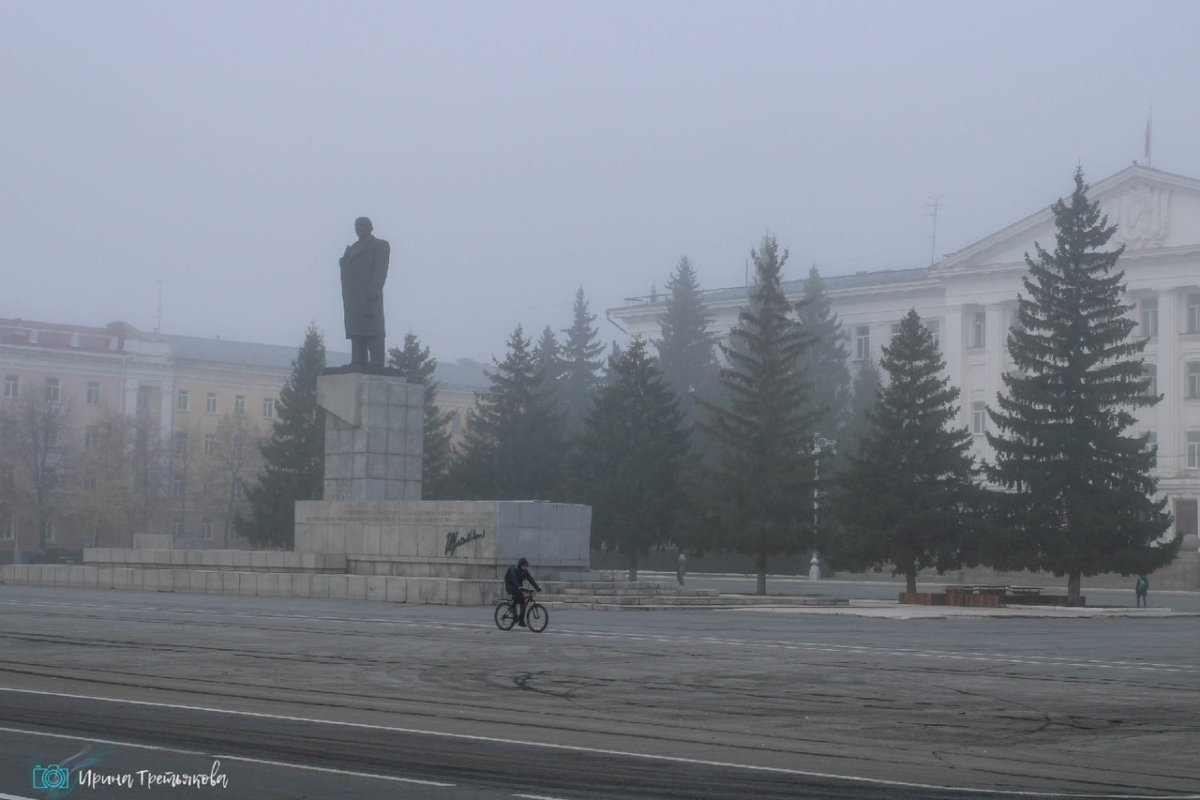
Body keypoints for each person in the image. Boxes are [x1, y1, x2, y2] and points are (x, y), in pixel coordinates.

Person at [339, 216, 391, 367]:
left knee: (373, 328)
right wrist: (343, 264)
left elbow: (381, 270)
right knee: (357, 329)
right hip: (353, 297)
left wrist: (374, 291)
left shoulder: (380, 245)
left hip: (368, 295)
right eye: (356, 226)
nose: (358, 228)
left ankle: (376, 361)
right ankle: (358, 360)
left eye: (362, 225)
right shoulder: (353, 247)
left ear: (370, 227)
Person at [504, 557, 541, 626]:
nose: (525, 567)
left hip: (518, 587)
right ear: (520, 565)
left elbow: (530, 579)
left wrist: (537, 588)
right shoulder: (514, 569)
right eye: (524, 566)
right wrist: (519, 586)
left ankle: (521, 621)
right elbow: (514, 579)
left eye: (526, 566)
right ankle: (512, 607)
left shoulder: (525, 571)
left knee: (523, 603)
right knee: (518, 594)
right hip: (510, 586)